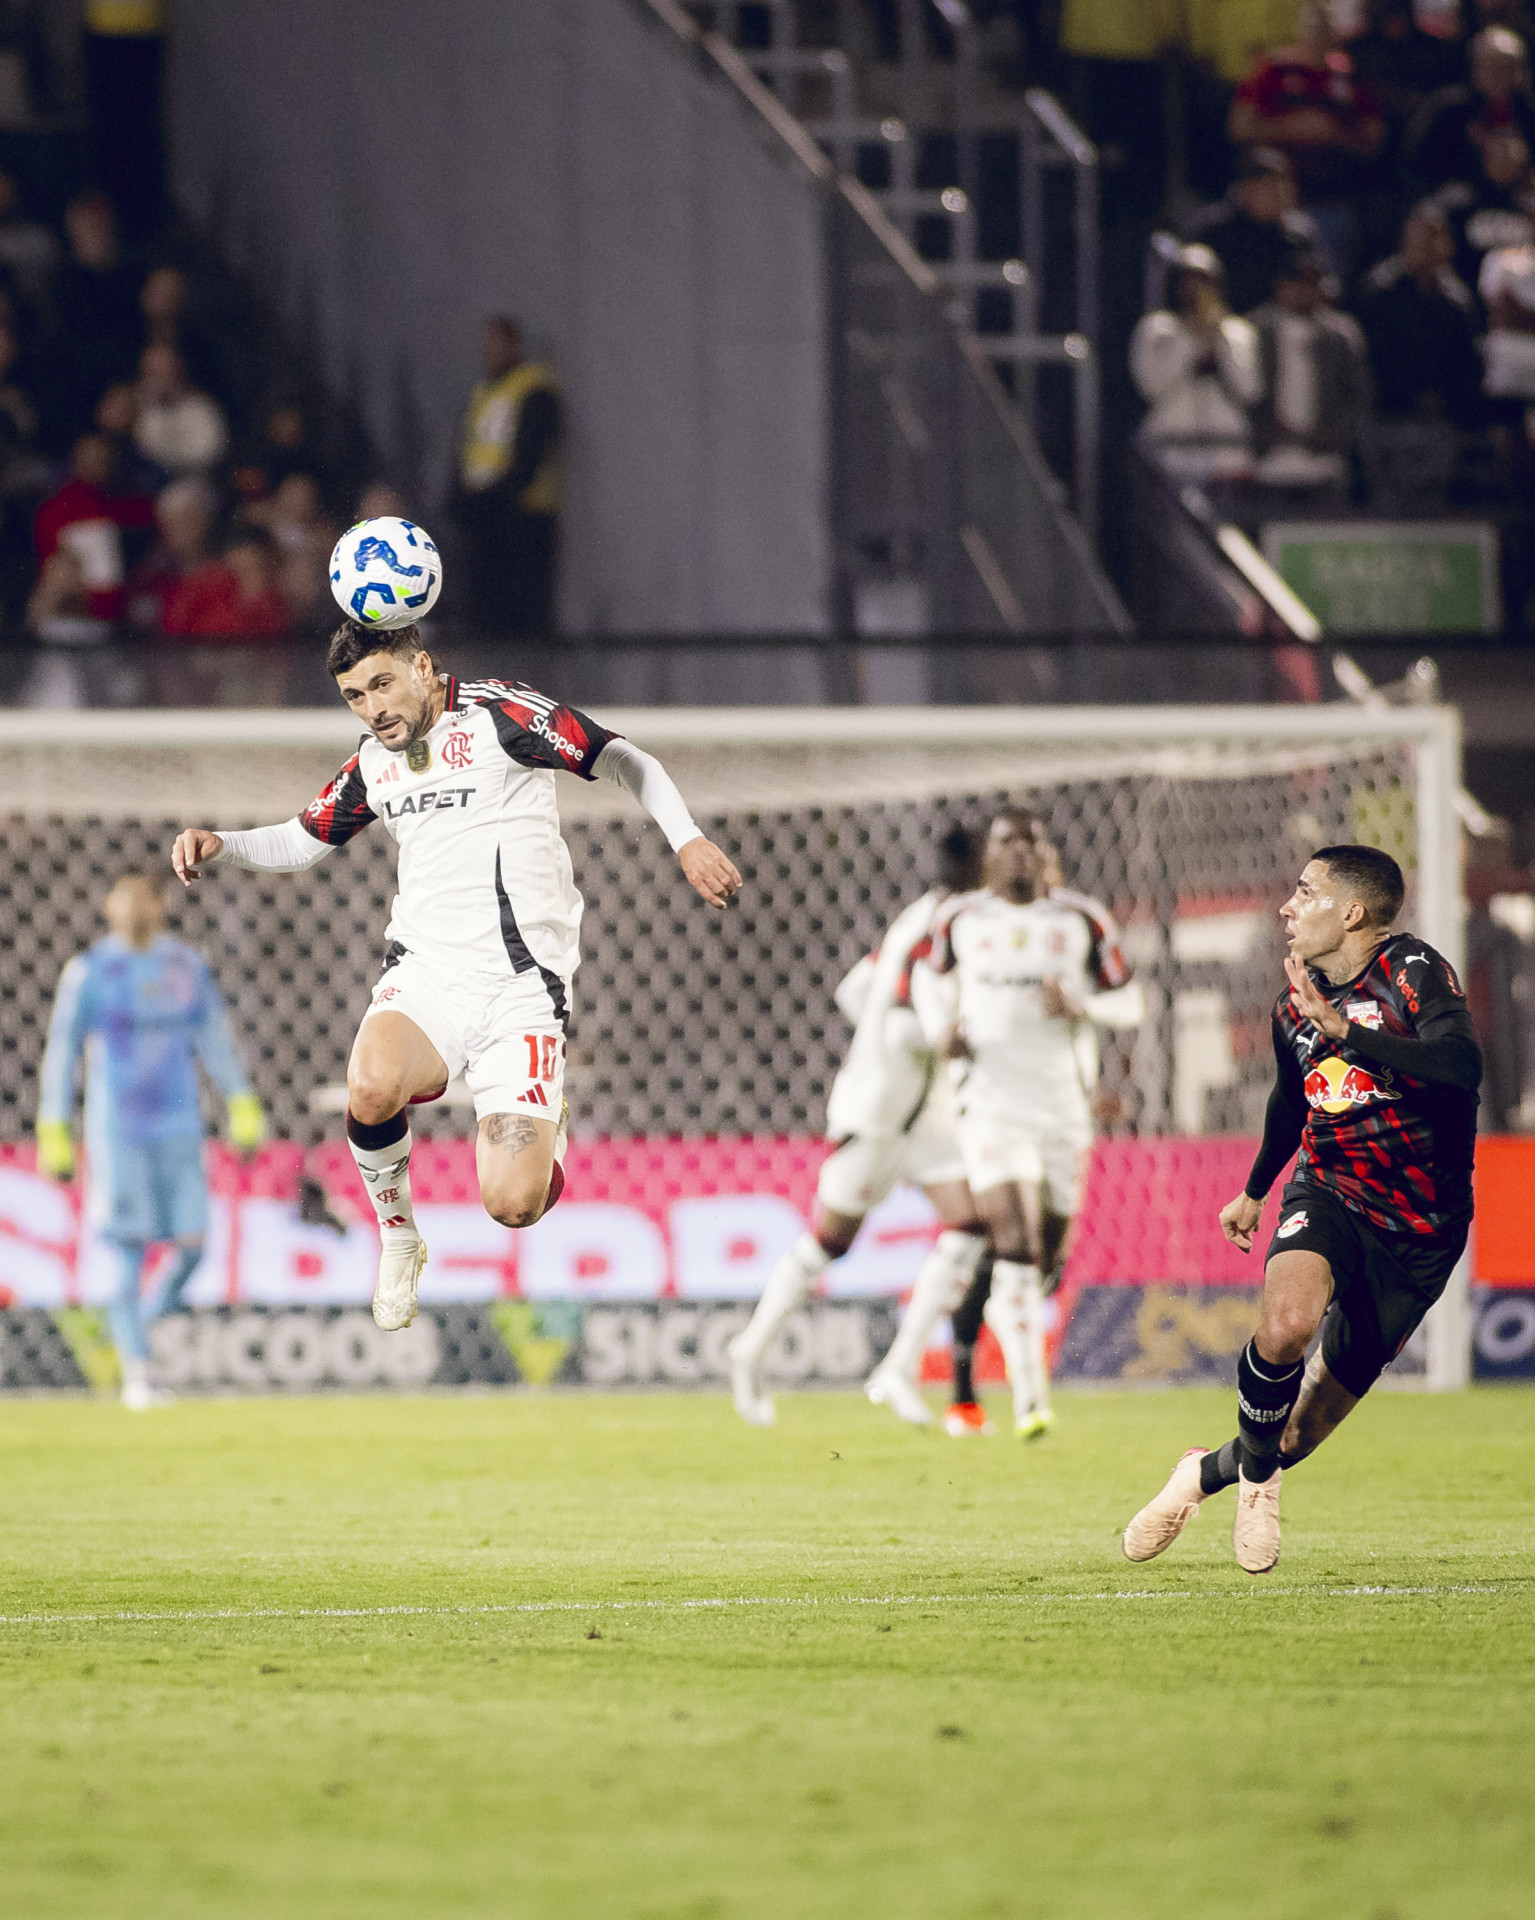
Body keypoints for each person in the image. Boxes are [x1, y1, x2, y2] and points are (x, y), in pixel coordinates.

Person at [171, 621, 742, 1333]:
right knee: (371, 1085)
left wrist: (686, 840)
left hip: (521, 988)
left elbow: (623, 758)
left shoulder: (502, 716)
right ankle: (398, 1236)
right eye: (353, 696)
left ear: (421, 666)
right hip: (427, 972)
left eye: (382, 684)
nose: (372, 708)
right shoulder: (373, 763)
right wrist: (222, 845)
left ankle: (545, 1120)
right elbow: (303, 839)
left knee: (512, 1205)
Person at [1122, 846, 1481, 1576]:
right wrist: (1256, 1189)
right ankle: (1258, 1486)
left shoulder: (1412, 974)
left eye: (1304, 892)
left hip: (1419, 1230)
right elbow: (1293, 1098)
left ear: (1351, 912)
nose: (1287, 906)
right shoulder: (1296, 999)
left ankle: (1204, 1473)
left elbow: (1460, 1066)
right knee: (1285, 1325)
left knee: (1291, 1436)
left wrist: (1349, 1033)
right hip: (1330, 1192)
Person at [725, 826, 988, 1429]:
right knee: (831, 1242)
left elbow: (856, 989)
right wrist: (933, 1042)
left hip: (920, 1117)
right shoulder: (950, 926)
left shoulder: (917, 917)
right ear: (977, 868)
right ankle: (749, 1351)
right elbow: (900, 1021)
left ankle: (898, 1368)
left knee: (971, 1224)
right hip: (876, 1113)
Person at [920, 809, 1144, 1439]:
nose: (1018, 852)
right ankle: (1029, 1402)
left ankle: (988, 1333)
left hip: (1063, 1110)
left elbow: (1132, 1000)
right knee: (1014, 1242)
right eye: (1006, 842)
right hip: (990, 1105)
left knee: (1045, 1259)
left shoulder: (1080, 919)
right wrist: (944, 1031)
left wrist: (1085, 1005)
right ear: (990, 857)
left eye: (1030, 841)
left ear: (1047, 853)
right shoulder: (960, 919)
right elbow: (928, 980)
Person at [36, 871, 266, 1409]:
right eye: (125, 894)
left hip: (179, 1127)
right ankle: (138, 1374)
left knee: (194, 1247)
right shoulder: (89, 971)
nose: (135, 904)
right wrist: (55, 1129)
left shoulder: (185, 967)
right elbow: (61, 1052)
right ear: (108, 904)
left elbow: (216, 1038)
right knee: (128, 1252)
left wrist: (242, 1104)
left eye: (146, 895)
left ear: (162, 905)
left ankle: (133, 1324)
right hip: (118, 1132)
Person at [1228, 3, 1385, 281]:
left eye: (1325, 27)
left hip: (1332, 201)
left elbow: (1373, 138)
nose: (1318, 34)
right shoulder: (1274, 70)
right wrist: (1290, 127)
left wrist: (1333, 133)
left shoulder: (1348, 76)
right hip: (1277, 206)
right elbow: (1239, 126)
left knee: (1324, 282)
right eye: (1312, 26)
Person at [450, 315, 561, 635]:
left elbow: (529, 456)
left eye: (498, 343)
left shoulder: (534, 388)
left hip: (523, 516)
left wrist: (491, 498)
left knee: (520, 611)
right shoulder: (483, 392)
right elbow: (468, 450)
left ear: (515, 345)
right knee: (486, 610)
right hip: (485, 516)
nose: (491, 351)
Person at [1249, 246, 1373, 503]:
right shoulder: (1254, 331)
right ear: (1281, 285)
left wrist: (1333, 433)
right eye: (1299, 281)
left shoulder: (1341, 336)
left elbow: (1360, 396)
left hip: (1324, 465)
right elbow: (1242, 390)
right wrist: (1264, 427)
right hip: (1269, 464)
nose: (1306, 289)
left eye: (1313, 281)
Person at [1130, 246, 1263, 482]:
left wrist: (1217, 337)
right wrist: (1190, 340)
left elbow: (1249, 390)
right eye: (1188, 282)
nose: (1195, 290)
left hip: (1225, 452)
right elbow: (1152, 387)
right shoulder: (1157, 329)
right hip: (1171, 451)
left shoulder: (1238, 332)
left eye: (1204, 282)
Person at [1357, 204, 1484, 428]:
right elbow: (1376, 356)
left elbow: (1466, 359)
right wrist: (1413, 396)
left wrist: (1441, 396)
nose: (1425, 247)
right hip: (1390, 410)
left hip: (1446, 411)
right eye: (1418, 240)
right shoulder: (1381, 290)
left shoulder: (1457, 299)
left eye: (1433, 239)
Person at [1183, 148, 1323, 318]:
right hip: (1225, 324)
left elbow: (1324, 285)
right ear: (1245, 189)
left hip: (1285, 327)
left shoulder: (1299, 234)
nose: (1282, 194)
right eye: (1271, 186)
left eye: (1285, 185)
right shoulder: (1213, 231)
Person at [33, 431, 156, 625]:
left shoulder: (123, 506)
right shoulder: (56, 508)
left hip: (116, 616)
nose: (96, 464)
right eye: (89, 458)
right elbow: (50, 565)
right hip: (70, 611)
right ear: (76, 461)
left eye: (102, 458)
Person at [1406, 25, 1535, 192]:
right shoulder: (1447, 110)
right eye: (1492, 65)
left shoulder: (1529, 112)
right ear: (1475, 68)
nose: (1500, 74)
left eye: (1509, 66)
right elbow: (1415, 163)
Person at [161, 525, 292, 639]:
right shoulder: (203, 585)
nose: (248, 574)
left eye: (255, 568)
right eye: (240, 570)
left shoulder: (276, 600)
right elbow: (175, 628)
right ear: (228, 559)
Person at [125, 475, 216, 633]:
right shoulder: (149, 578)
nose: (176, 531)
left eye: (185, 521)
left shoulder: (224, 576)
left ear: (205, 522)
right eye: (169, 523)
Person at [133, 343, 229, 478]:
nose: (158, 376)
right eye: (153, 370)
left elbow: (209, 453)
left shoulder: (200, 408)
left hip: (186, 481)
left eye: (164, 369)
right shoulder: (133, 406)